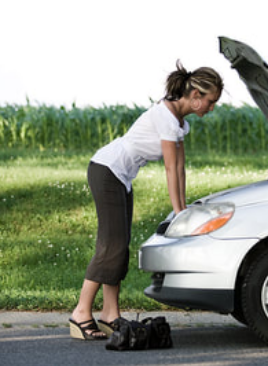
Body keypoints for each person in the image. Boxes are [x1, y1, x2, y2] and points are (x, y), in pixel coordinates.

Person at [69, 60, 224, 340]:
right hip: (107, 170)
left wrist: (183, 208)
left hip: (120, 176)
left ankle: (110, 314)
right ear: (196, 96)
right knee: (111, 245)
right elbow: (169, 168)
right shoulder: (165, 117)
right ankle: (81, 312)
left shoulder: (179, 123)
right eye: (211, 102)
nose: (212, 108)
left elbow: (179, 168)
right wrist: (178, 210)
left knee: (119, 245)